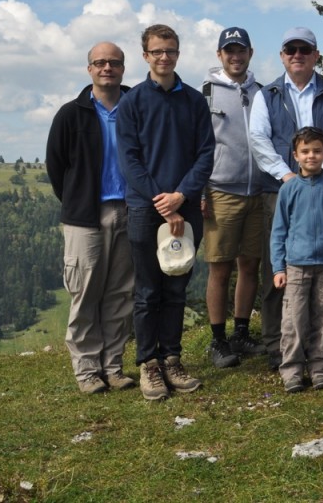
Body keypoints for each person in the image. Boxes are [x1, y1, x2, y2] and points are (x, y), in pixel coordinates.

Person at [117, 24, 215, 401]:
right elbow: (129, 159)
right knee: (146, 291)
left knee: (176, 288)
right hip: (145, 208)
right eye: (156, 51)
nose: (164, 57)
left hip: (186, 207)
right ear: (145, 56)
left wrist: (181, 196)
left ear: (178, 53)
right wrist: (162, 198)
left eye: (170, 51)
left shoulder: (193, 101)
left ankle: (172, 358)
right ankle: (149, 366)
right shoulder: (133, 103)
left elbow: (206, 153)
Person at [249, 26, 323, 371]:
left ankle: (318, 346)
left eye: (304, 49)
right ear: (282, 55)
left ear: (316, 56)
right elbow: (259, 139)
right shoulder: (268, 94)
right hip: (280, 189)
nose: (297, 55)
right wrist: (288, 175)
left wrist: (321, 175)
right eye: (290, 49)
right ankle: (276, 344)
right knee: (278, 271)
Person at [46, 41, 135, 394]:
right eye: (100, 63)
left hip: (129, 211)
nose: (107, 68)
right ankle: (86, 370)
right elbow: (57, 167)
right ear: (89, 69)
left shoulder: (135, 107)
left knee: (120, 293)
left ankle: (113, 367)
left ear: (123, 68)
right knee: (84, 293)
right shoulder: (71, 114)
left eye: (113, 62)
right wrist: (76, 202)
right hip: (85, 216)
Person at [200, 27, 270, 370]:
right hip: (220, 191)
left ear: (250, 53)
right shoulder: (206, 93)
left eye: (240, 50)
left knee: (250, 264)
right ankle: (217, 339)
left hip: (257, 191)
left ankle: (241, 332)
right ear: (219, 55)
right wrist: (199, 189)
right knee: (219, 268)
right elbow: (196, 145)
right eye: (229, 51)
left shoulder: (262, 92)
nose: (235, 56)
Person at [270, 127, 323, 392]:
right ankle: (292, 370)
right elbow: (278, 230)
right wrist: (278, 267)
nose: (311, 156)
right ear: (295, 156)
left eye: (317, 151)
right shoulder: (289, 189)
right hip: (295, 266)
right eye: (305, 151)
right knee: (294, 320)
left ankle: (320, 367)